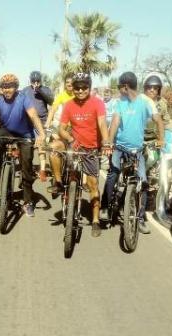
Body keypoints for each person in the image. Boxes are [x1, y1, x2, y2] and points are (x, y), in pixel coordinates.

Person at [47, 73, 113, 237]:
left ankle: (96, 220)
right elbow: (62, 128)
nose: (81, 90)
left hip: (91, 148)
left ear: (89, 88)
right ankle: (58, 182)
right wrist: (70, 138)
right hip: (73, 145)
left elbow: (102, 123)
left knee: (92, 186)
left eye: (84, 87)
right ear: (73, 89)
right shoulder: (69, 105)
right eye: (77, 87)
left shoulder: (97, 103)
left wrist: (105, 142)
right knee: (54, 148)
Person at [101, 72, 165, 234]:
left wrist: (161, 139)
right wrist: (108, 143)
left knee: (143, 182)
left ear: (125, 87)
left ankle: (141, 218)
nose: (119, 90)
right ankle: (105, 207)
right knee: (113, 174)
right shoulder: (120, 102)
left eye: (120, 87)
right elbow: (115, 122)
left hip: (137, 151)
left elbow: (158, 121)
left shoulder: (146, 102)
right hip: (120, 148)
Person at [0, 73, 45, 217]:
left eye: (10, 87)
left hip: (25, 134)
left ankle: (27, 202)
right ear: (1, 89)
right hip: (7, 130)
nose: (7, 90)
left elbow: (33, 115)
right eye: (4, 87)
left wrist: (42, 134)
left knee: (26, 166)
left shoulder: (23, 98)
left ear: (16, 87)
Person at [22, 71, 54, 181]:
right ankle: (27, 170)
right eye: (33, 81)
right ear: (30, 80)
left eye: (38, 81)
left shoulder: (46, 89)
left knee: (41, 146)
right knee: (27, 147)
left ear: (41, 80)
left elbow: (51, 101)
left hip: (41, 121)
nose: (35, 83)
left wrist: (40, 91)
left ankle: (42, 170)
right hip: (28, 122)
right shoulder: (25, 91)